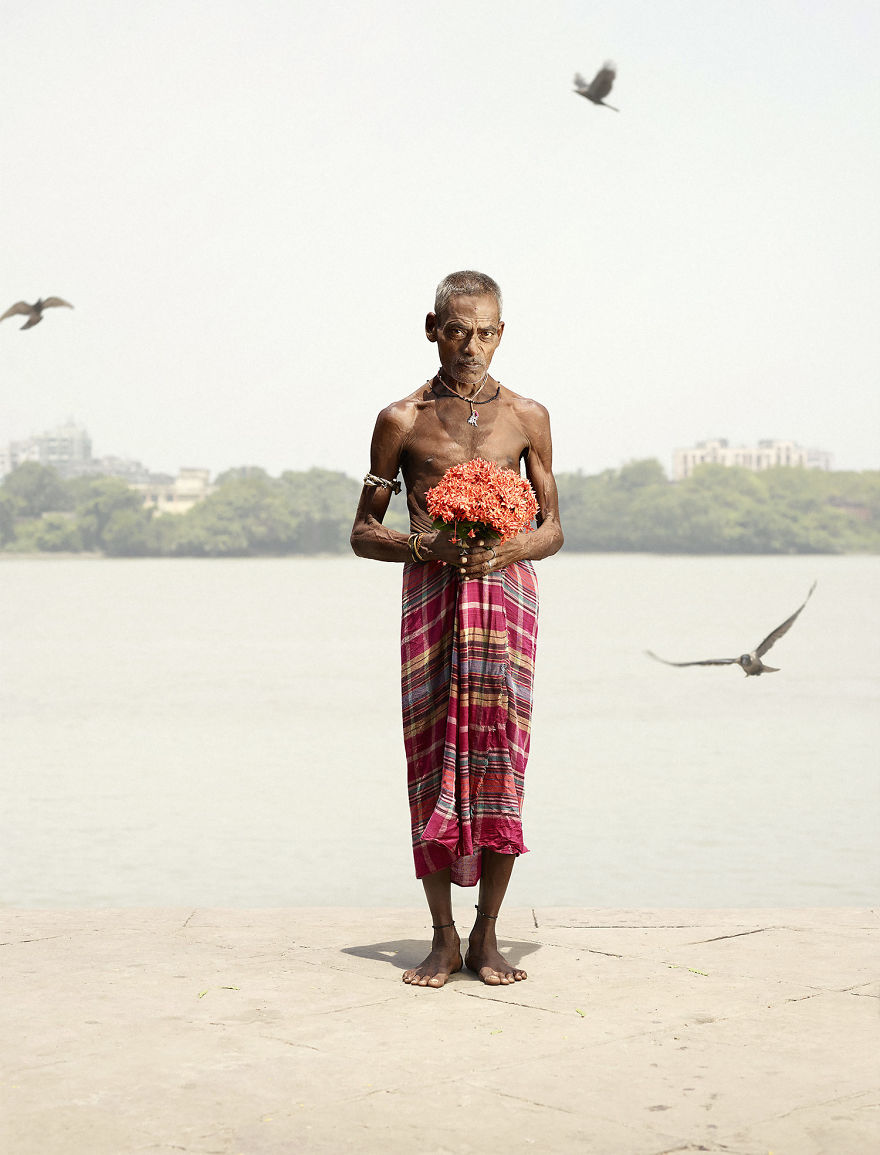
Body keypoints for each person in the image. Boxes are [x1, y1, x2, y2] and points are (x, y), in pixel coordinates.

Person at [350, 270, 563, 988]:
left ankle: (487, 936)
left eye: (487, 331)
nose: (472, 345)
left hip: (507, 604)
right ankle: (441, 936)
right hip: (432, 602)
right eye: (458, 329)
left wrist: (511, 547)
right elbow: (362, 531)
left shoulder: (528, 416)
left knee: (503, 760)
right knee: (428, 761)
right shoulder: (401, 419)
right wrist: (427, 546)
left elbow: (553, 528)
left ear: (503, 331)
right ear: (432, 327)